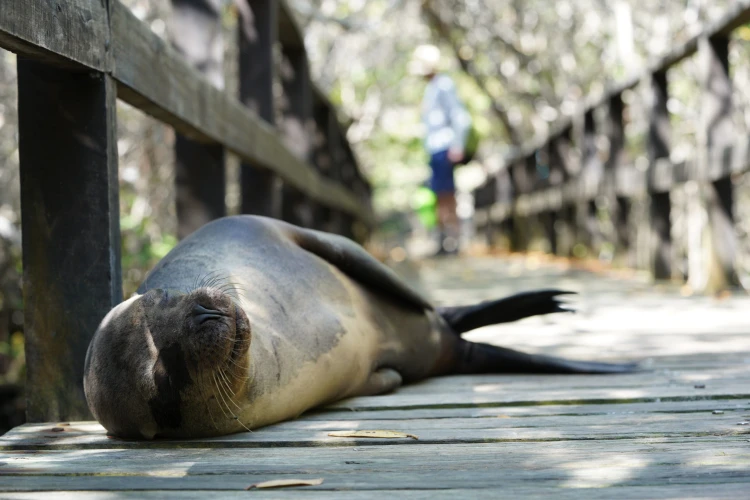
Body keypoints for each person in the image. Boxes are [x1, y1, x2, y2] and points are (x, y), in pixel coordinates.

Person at [410, 44, 471, 255]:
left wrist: (458, 145)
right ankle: (444, 241)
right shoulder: (432, 87)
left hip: (445, 147)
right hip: (435, 148)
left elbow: (460, 117)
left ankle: (453, 242)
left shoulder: (444, 85)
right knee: (439, 195)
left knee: (447, 195)